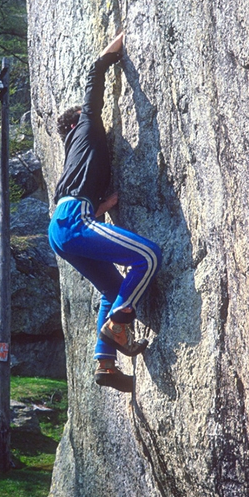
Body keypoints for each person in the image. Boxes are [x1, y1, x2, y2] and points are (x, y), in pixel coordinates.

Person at [48, 32, 162, 393]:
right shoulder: (84, 127)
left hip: (64, 226)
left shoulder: (75, 158)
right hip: (73, 221)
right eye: (84, 115)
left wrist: (101, 207)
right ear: (75, 122)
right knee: (148, 256)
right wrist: (119, 42)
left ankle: (105, 365)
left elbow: (75, 193)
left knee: (111, 288)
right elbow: (93, 74)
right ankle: (118, 323)